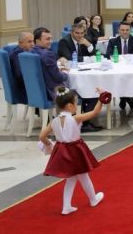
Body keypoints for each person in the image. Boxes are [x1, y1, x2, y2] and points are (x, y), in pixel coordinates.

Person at [39, 87, 105, 215]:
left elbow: (42, 136)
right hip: (75, 151)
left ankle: (67, 206)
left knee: (71, 178)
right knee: (83, 176)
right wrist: (102, 98)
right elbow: (94, 112)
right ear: (70, 106)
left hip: (62, 152)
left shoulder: (53, 121)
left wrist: (50, 145)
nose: (76, 105)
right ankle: (93, 199)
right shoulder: (75, 118)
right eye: (76, 103)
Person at [9, 31, 34, 102]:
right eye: (29, 42)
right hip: (23, 90)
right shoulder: (17, 55)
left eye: (33, 41)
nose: (32, 44)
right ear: (20, 43)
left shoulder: (24, 52)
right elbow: (20, 76)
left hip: (26, 86)